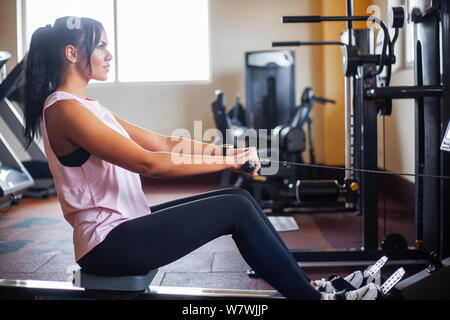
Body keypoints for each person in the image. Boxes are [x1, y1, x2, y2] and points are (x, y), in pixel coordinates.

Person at [22, 16, 379, 300]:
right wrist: (228, 163)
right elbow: (150, 163)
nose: (109, 55)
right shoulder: (64, 110)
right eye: (101, 47)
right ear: (72, 53)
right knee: (236, 210)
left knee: (238, 198)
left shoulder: (87, 107)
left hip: (124, 228)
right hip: (108, 244)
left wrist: (230, 152)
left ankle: (311, 288)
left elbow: (163, 143)